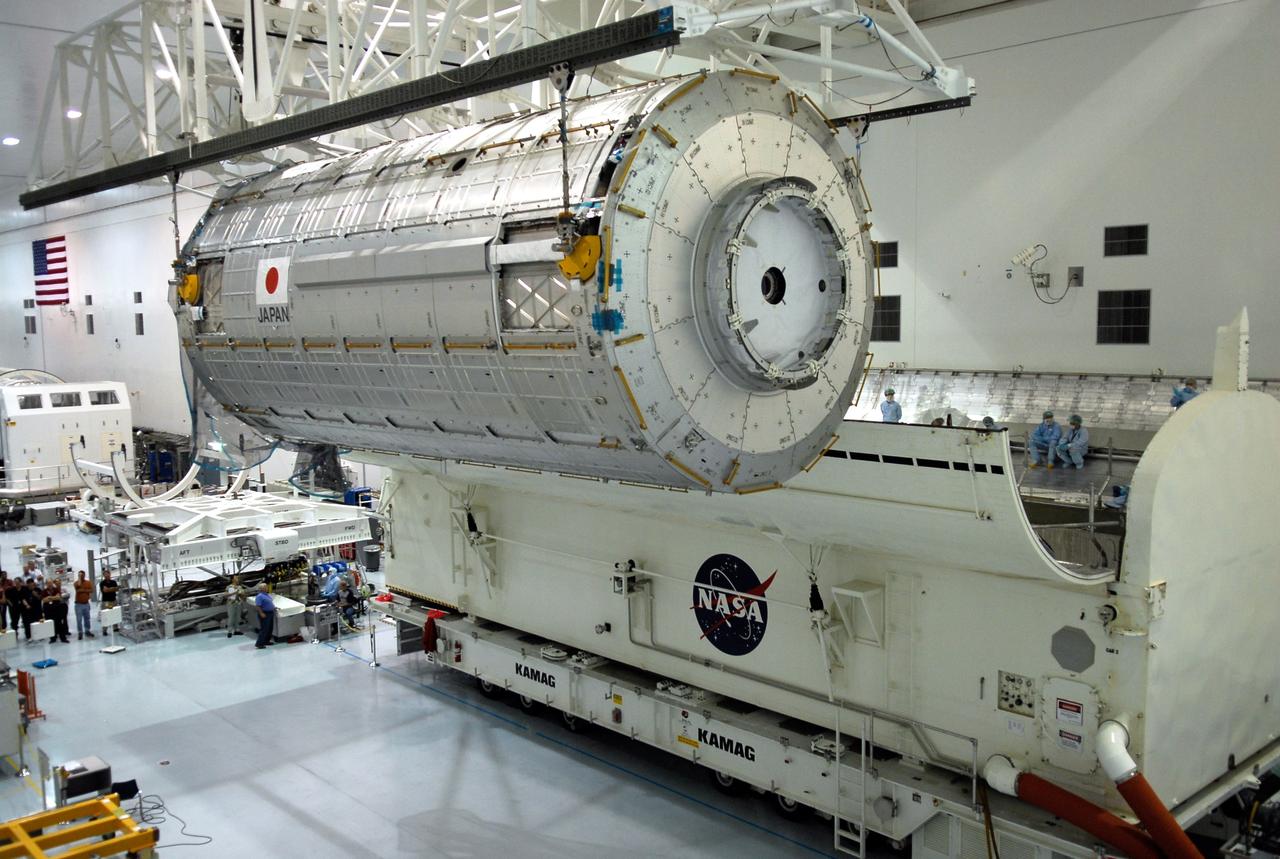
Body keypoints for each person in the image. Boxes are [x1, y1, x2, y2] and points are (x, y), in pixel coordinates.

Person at [73, 570, 95, 640]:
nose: (81, 576)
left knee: (87, 618)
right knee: (79, 619)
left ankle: (87, 630)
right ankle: (80, 632)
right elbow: (78, 587)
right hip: (78, 605)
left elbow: (91, 590)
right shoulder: (76, 583)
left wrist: (83, 590)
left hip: (86, 604)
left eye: (82, 575)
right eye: (80, 575)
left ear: (84, 575)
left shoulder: (88, 582)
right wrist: (79, 578)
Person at [253, 583, 276, 649]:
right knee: (264, 629)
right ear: (261, 589)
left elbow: (269, 602)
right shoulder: (259, 596)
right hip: (265, 613)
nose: (267, 588)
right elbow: (258, 606)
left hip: (270, 613)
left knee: (269, 628)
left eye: (266, 587)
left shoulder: (267, 595)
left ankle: (266, 641)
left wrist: (274, 607)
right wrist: (261, 613)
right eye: (265, 587)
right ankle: (259, 644)